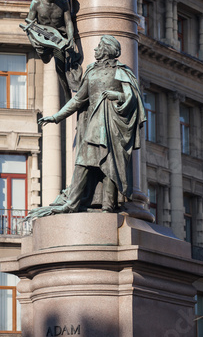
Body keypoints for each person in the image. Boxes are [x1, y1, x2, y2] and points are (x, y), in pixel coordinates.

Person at [38, 35, 146, 214]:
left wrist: (117, 96)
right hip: (95, 123)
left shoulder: (122, 71)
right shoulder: (91, 71)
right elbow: (78, 100)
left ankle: (108, 206)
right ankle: (72, 203)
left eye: (99, 47)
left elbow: (133, 98)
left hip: (113, 123)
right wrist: (56, 117)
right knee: (82, 162)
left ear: (107, 50)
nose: (95, 50)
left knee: (110, 165)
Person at [26, 0, 82, 99]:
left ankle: (68, 96)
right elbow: (29, 25)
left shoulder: (63, 4)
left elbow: (68, 23)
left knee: (60, 68)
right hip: (43, 40)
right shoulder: (36, 3)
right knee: (45, 59)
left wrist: (71, 38)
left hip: (60, 39)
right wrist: (34, 41)